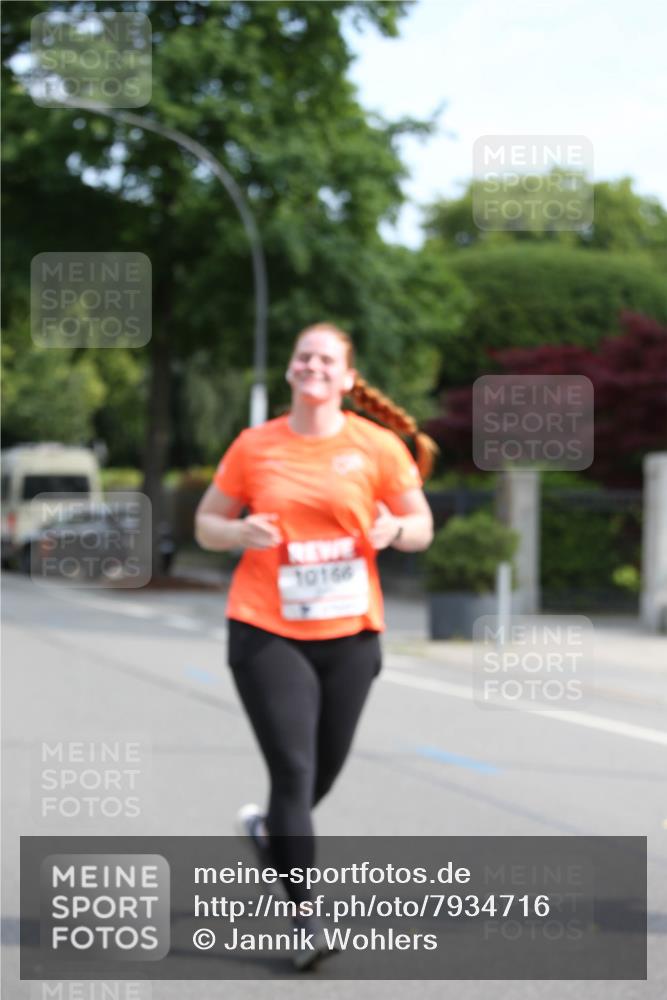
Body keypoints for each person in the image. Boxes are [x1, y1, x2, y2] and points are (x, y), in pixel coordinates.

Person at [195, 322, 435, 970]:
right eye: (304, 357)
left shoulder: (377, 446)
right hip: (266, 627)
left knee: (321, 771)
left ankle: (269, 832)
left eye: (327, 359)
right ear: (290, 370)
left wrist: (393, 529)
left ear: (347, 376)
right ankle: (304, 920)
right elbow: (205, 524)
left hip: (351, 632)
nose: (314, 366)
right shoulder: (255, 445)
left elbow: (421, 526)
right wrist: (237, 530)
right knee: (294, 771)